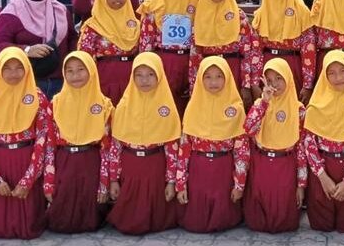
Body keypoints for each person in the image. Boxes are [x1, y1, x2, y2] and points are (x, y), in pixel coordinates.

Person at [0, 48, 50, 239]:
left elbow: (43, 141)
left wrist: (28, 180)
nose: (13, 73)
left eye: (19, 67)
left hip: (27, 164)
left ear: (27, 69)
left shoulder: (38, 98)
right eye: (7, 68)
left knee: (28, 228)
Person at [108, 53, 180, 235]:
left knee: (157, 213)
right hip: (130, 166)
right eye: (138, 75)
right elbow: (116, 147)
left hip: (155, 167)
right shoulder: (123, 107)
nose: (144, 80)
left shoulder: (167, 108)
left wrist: (171, 181)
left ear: (159, 75)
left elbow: (172, 149)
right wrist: (113, 179)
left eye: (150, 74)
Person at [176, 57, 249, 233]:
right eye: (207, 77)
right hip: (199, 169)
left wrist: (239, 185)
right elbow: (184, 150)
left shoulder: (236, 109)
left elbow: (242, 152)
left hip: (223, 169)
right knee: (196, 221)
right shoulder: (193, 107)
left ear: (227, 78)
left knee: (224, 219)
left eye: (219, 76)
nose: (213, 82)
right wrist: (180, 185)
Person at [44, 51, 112, 233]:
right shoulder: (55, 104)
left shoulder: (104, 105)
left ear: (91, 71)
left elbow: (107, 148)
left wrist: (104, 184)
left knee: (91, 218)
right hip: (65, 162)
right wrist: (48, 182)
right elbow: (49, 146)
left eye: (81, 69)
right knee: (61, 220)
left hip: (91, 163)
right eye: (70, 71)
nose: (75, 75)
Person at [302, 51, 344, 233]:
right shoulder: (315, 107)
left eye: (343, 71)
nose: (338, 77)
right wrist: (322, 177)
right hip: (322, 171)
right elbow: (309, 143)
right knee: (321, 224)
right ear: (324, 75)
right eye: (331, 73)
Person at [242, 59, 307, 233]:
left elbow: (301, 149)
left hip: (286, 164)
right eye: (269, 80)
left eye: (279, 78)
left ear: (288, 78)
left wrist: (301, 185)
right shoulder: (260, 104)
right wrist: (264, 102)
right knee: (259, 212)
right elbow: (249, 128)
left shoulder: (298, 109)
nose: (274, 84)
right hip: (262, 162)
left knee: (284, 211)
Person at [0, 0, 75, 99]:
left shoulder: (60, 10)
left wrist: (72, 67)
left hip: (60, 82)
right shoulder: (11, 13)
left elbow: (72, 39)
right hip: (26, 82)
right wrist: (26, 50)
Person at [189, 0, 262, 110]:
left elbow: (249, 52)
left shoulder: (238, 16)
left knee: (234, 114)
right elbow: (195, 55)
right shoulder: (198, 16)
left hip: (233, 71)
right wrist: (194, 86)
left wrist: (246, 85)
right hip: (209, 75)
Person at [138, 0, 197, 113]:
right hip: (163, 63)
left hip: (191, 63)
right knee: (163, 107)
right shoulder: (153, 6)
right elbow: (146, 43)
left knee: (189, 108)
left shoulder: (198, 5)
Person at [252, 0, 316, 103]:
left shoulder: (300, 9)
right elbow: (256, 50)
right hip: (268, 68)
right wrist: (255, 82)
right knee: (268, 108)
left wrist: (308, 85)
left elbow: (309, 49)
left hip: (292, 66)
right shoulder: (262, 12)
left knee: (292, 108)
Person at [78, 0, 140, 105]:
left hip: (133, 79)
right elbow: (85, 58)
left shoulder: (136, 24)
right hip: (104, 79)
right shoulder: (93, 26)